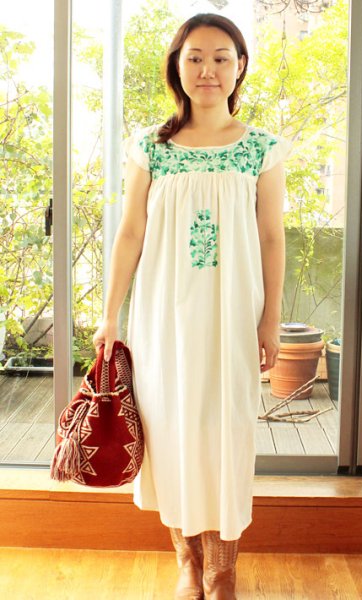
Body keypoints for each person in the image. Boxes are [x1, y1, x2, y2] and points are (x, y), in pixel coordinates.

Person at [93, 12, 291, 600]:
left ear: (239, 67)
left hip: (232, 315)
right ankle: (187, 560)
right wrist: (109, 315)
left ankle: (222, 568)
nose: (208, 70)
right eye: (195, 58)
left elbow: (272, 238)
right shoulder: (151, 148)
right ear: (177, 67)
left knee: (226, 430)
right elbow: (130, 234)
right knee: (170, 428)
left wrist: (270, 319)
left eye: (221, 58)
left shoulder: (260, 149)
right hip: (162, 314)